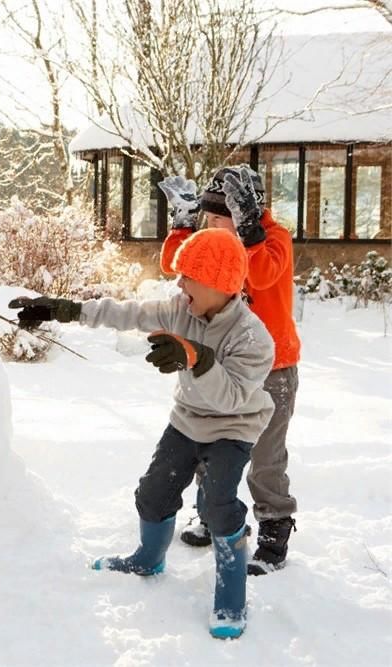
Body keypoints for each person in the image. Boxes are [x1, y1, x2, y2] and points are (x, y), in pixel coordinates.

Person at [10, 228, 275, 639]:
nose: (180, 283)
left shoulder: (253, 337)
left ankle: (231, 595)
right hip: (187, 420)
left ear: (219, 284)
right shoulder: (179, 310)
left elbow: (233, 397)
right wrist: (65, 309)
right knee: (154, 491)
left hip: (233, 428)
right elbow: (127, 312)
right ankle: (149, 558)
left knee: (220, 505)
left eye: (188, 275)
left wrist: (195, 356)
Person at [159, 166, 301, 575]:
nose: (215, 226)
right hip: (219, 366)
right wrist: (183, 227)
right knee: (209, 442)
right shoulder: (215, 242)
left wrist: (251, 231)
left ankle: (274, 526)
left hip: (273, 369)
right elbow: (176, 265)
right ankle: (209, 512)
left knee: (266, 455)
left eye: (223, 217)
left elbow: (262, 273)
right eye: (208, 217)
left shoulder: (273, 240)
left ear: (248, 211)